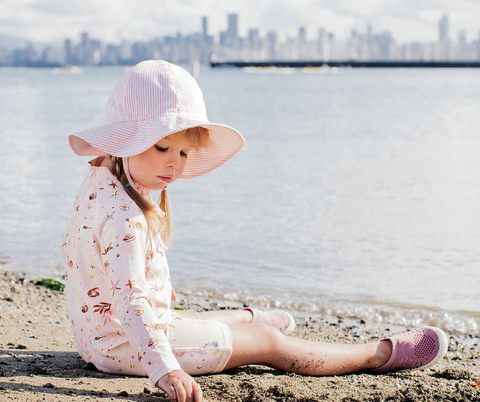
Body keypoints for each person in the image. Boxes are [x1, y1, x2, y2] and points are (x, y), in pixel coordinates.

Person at [62, 60, 448, 402]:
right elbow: (131, 301)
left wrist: (156, 283)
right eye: (162, 146)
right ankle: (378, 354)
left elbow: (94, 262)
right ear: (126, 141)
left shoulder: (102, 180)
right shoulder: (124, 216)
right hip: (122, 346)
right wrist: (166, 370)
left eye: (182, 152)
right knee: (269, 344)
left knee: (193, 317)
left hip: (96, 334)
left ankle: (246, 318)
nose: (174, 164)